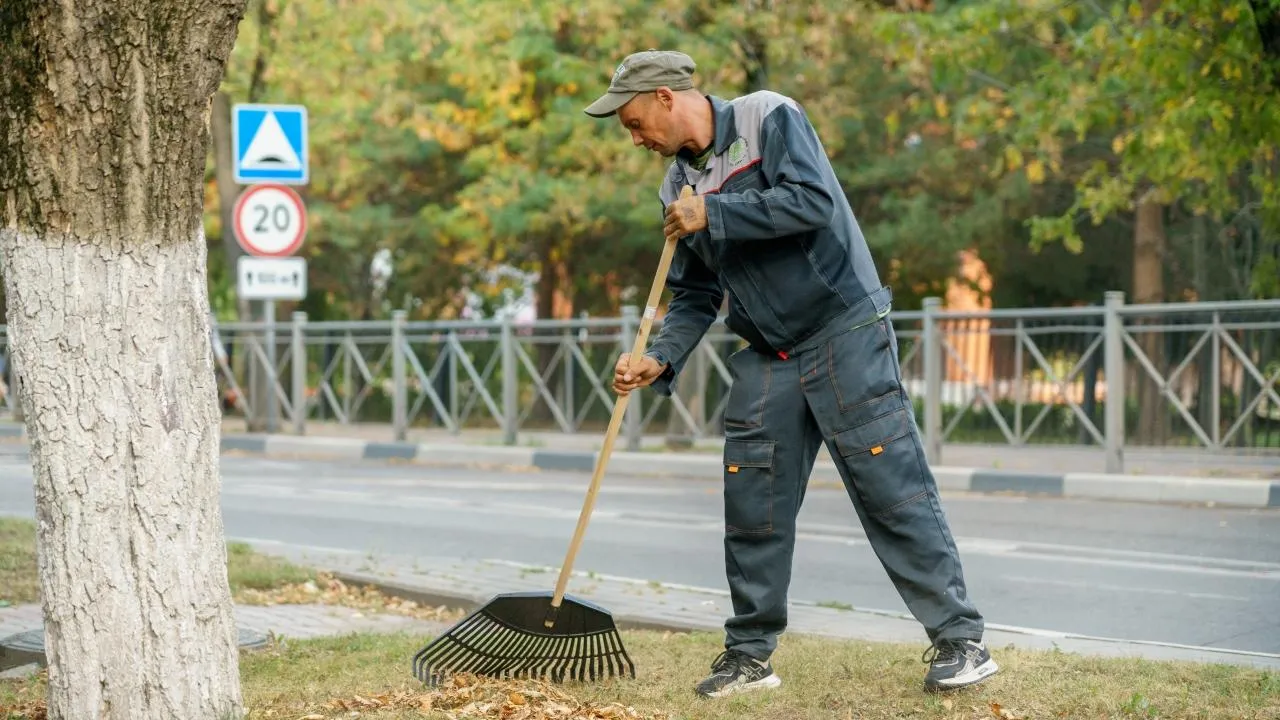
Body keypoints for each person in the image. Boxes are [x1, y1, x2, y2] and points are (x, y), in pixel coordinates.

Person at [583, 49, 999, 698]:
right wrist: (660, 357)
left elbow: (810, 202)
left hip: (843, 331)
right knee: (753, 504)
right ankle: (750, 657)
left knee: (891, 490)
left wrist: (714, 213)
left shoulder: (767, 117)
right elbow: (694, 293)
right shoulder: (675, 187)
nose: (634, 139)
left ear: (666, 97)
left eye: (635, 122)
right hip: (767, 352)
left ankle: (960, 641)